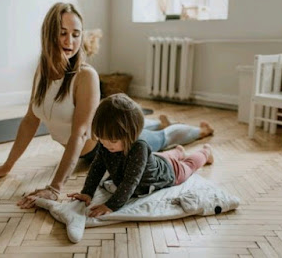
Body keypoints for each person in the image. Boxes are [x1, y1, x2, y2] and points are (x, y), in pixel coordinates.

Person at [0, 2, 213, 208]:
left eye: (76, 34)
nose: (70, 40)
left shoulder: (85, 76)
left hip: (112, 146)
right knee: (148, 129)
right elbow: (29, 121)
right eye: (63, 32)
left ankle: (199, 131)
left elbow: (79, 135)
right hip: (94, 147)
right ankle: (153, 123)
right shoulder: (42, 71)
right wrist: (7, 165)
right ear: (49, 33)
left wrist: (55, 188)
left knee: (161, 139)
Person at [68, 93, 213, 217]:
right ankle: (179, 151)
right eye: (101, 138)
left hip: (169, 172)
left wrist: (111, 206)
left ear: (131, 135)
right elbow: (97, 167)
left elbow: (130, 182)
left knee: (188, 165)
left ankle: (206, 153)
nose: (105, 144)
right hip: (155, 159)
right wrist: (87, 192)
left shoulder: (139, 148)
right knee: (163, 156)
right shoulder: (107, 144)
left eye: (112, 140)